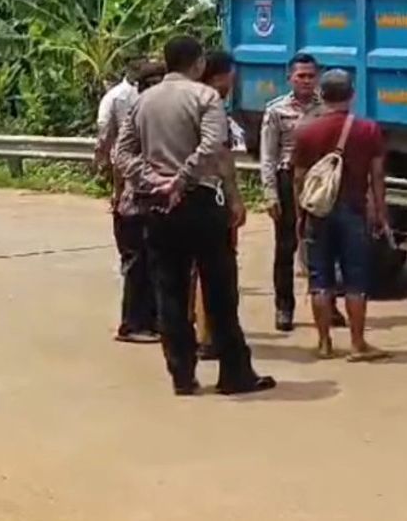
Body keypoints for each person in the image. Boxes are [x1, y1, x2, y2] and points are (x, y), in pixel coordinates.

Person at [114, 35, 275, 397]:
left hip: (157, 206)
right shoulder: (206, 98)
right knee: (219, 291)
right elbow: (212, 147)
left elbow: (121, 154)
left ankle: (182, 375)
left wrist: (152, 179)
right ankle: (234, 373)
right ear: (199, 63)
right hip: (201, 202)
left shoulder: (143, 101)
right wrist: (182, 180)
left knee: (170, 291)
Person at [291, 70, 388, 362]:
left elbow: (298, 178)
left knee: (320, 277)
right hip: (354, 209)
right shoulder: (368, 130)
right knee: (355, 279)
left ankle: (324, 343)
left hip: (317, 211)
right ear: (352, 95)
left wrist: (299, 215)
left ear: (322, 94)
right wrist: (380, 211)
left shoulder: (306, 130)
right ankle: (358, 344)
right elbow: (377, 176)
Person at [261, 53, 345, 332]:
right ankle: (284, 308)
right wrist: (270, 193)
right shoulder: (276, 111)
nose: (307, 81)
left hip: (320, 182)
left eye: (311, 76)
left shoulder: (327, 109)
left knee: (325, 244)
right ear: (290, 78)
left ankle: (328, 306)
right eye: (301, 76)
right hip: (288, 180)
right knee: (287, 246)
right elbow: (268, 156)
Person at [96, 58, 165, 344]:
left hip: (153, 200)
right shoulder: (137, 113)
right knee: (137, 262)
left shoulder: (156, 112)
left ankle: (151, 319)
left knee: (152, 262)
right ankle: (133, 323)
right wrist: (118, 190)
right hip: (135, 200)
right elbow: (116, 155)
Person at [189, 50, 248, 361]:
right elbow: (221, 156)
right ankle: (209, 335)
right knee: (214, 270)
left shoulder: (181, 101)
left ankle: (194, 331)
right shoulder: (213, 107)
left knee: (190, 269)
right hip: (210, 194)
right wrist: (235, 197)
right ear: (219, 76)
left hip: (180, 194)